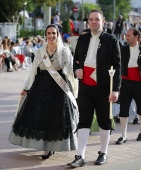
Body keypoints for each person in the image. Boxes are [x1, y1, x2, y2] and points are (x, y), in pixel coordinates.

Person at [9, 24, 79, 159]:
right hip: (40, 88)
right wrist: (26, 87)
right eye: (49, 33)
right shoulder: (40, 52)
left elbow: (70, 70)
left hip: (58, 89)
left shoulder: (64, 51)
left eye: (54, 33)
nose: (51, 36)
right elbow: (33, 71)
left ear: (58, 35)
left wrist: (76, 76)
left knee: (55, 118)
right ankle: (44, 147)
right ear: (45, 35)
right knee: (41, 117)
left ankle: (52, 147)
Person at [68, 9, 121, 167]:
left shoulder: (112, 40)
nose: (93, 22)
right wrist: (76, 70)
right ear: (88, 22)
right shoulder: (82, 39)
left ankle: (103, 153)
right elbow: (76, 60)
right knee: (83, 121)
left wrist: (116, 89)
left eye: (96, 19)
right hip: (85, 87)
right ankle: (80, 156)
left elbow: (117, 66)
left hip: (104, 87)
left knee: (105, 121)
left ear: (103, 21)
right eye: (91, 19)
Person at [116, 28, 141, 145]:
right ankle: (123, 135)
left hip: (139, 82)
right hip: (125, 83)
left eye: (129, 35)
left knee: (140, 109)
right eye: (126, 35)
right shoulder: (123, 49)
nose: (126, 37)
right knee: (123, 109)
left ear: (136, 37)